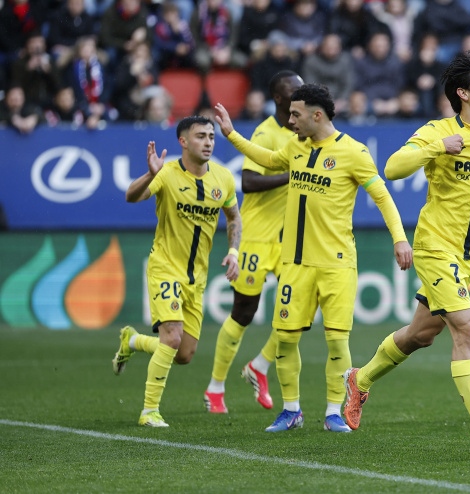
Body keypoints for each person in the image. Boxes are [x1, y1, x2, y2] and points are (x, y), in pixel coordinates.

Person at [340, 50, 470, 454]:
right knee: (468, 329)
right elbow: (395, 167)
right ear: (462, 93)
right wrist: (438, 148)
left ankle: (358, 381)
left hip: (467, 257)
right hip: (435, 248)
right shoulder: (438, 131)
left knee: (421, 334)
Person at [214, 83, 413, 433]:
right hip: (294, 262)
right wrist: (231, 134)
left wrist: (399, 239)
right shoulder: (295, 146)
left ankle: (334, 411)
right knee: (286, 337)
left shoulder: (354, 152)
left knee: (337, 341)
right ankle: (291, 411)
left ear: (316, 115)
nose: (290, 121)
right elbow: (267, 159)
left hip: (337, 265)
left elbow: (382, 196)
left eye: (295, 114)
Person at [111, 115, 241, 427]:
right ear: (183, 142)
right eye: (200, 136)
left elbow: (234, 217)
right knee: (171, 338)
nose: (208, 141)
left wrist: (234, 251)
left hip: (197, 277)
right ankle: (149, 411)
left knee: (183, 353)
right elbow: (131, 195)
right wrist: (149, 175)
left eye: (211, 136)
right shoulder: (167, 173)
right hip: (165, 268)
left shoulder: (223, 178)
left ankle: (131, 341)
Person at [204, 71, 302, 414]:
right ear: (279, 99)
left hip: (288, 239)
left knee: (300, 311)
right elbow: (248, 181)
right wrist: (293, 175)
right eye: (295, 93)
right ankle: (215, 387)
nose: (301, 97)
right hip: (257, 238)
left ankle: (259, 365)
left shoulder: (303, 132)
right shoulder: (265, 132)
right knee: (244, 312)